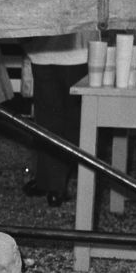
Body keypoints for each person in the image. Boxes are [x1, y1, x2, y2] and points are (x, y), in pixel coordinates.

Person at [20, 30, 92, 206]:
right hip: (75, 52)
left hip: (43, 51)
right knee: (71, 120)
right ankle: (54, 184)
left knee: (48, 119)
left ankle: (51, 181)